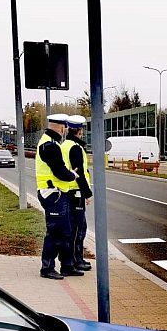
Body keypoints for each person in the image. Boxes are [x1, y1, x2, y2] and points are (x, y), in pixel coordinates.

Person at [35, 114, 82, 280]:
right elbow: (59, 171)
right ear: (61, 128)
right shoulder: (49, 145)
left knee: (66, 232)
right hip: (52, 194)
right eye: (65, 128)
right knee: (54, 233)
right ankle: (47, 268)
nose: (66, 131)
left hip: (58, 194)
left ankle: (67, 266)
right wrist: (72, 175)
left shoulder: (52, 143)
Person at [61, 115, 93, 273]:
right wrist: (87, 193)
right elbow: (78, 172)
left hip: (69, 191)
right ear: (80, 131)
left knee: (74, 227)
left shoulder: (65, 144)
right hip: (76, 192)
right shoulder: (75, 147)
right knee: (78, 228)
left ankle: (73, 260)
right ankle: (75, 261)